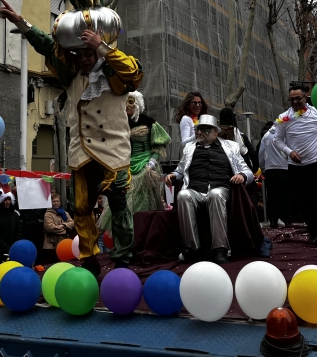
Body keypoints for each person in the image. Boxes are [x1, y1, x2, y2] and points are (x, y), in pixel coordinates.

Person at [1, 0, 143, 277]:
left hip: (113, 151)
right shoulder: (71, 74)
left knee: (118, 204)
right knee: (81, 208)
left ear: (98, 53)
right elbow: (45, 44)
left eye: (88, 55)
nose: (84, 60)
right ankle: (89, 256)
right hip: (81, 151)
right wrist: (21, 22)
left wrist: (101, 46)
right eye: (79, 55)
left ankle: (124, 255)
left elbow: (134, 72)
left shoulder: (116, 72)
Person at [165, 114, 254, 264]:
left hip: (221, 189)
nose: (199, 132)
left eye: (204, 130)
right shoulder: (189, 148)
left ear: (215, 132)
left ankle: (220, 248)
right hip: (195, 190)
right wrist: (173, 175)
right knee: (183, 195)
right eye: (198, 129)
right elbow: (180, 170)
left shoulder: (230, 147)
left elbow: (248, 171)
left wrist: (242, 176)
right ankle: (191, 247)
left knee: (215, 194)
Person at [100, 91, 170, 232]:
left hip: (145, 165)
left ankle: (142, 232)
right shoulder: (119, 124)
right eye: (125, 102)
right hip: (125, 164)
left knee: (143, 200)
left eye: (131, 102)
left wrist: (151, 162)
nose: (127, 105)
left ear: (137, 104)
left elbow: (159, 144)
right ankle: (126, 235)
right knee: (122, 199)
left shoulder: (149, 122)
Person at [272, 86, 317, 244]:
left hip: (316, 162)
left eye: (298, 98)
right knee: (301, 201)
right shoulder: (283, 117)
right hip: (295, 166)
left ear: (306, 97)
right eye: (292, 99)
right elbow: (277, 139)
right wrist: (290, 152)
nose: (295, 102)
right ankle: (312, 232)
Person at [259, 122, 291, 227]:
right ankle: (287, 219)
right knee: (285, 195)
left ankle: (273, 220)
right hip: (284, 169)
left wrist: (263, 167)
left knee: (272, 195)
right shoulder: (285, 135)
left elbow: (261, 152)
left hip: (270, 169)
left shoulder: (266, 135)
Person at [0, 192, 22, 269]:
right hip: (0, 251)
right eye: (4, 200)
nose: (7, 202)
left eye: (8, 200)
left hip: (14, 248)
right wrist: (7, 248)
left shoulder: (15, 215)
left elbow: (20, 230)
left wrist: (14, 245)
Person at [43, 193, 74, 263]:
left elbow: (72, 223)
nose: (56, 203)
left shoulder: (65, 213)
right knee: (52, 263)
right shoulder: (48, 214)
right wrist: (65, 230)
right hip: (51, 244)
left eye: (57, 201)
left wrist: (64, 225)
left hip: (63, 242)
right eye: (54, 201)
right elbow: (50, 228)